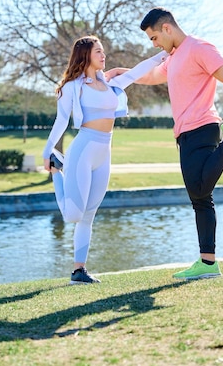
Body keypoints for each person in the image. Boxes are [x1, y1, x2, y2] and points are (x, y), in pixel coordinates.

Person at [105, 7, 223, 281]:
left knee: (200, 188)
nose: (154, 44)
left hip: (202, 126)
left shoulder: (199, 48)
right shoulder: (174, 57)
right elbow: (153, 76)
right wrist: (123, 73)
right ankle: (208, 262)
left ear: (167, 28)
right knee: (200, 199)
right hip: (184, 133)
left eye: (154, 38)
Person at [43, 35, 168, 285]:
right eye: (98, 51)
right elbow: (61, 121)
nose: (104, 55)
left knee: (89, 214)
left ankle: (79, 270)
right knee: (72, 215)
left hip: (104, 150)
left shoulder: (110, 84)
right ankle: (58, 173)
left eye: (103, 51)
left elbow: (136, 72)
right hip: (83, 148)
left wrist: (162, 55)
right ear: (86, 55)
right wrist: (47, 152)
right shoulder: (72, 87)